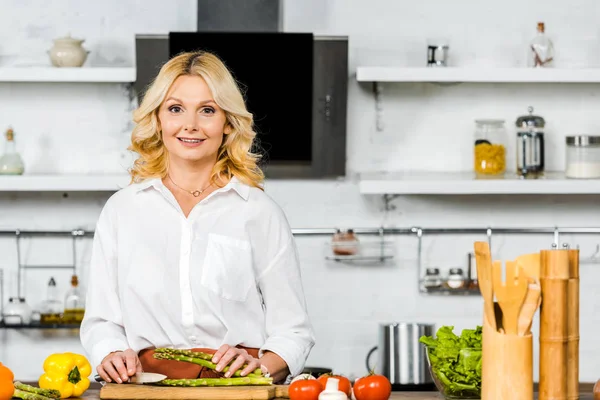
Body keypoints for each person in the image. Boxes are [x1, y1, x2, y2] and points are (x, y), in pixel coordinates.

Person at [80, 51, 315, 385]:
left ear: (228, 122)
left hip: (235, 388)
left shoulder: (258, 211)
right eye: (176, 109)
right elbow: (101, 321)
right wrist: (111, 352)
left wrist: (261, 365)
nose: (190, 124)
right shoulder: (122, 210)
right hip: (147, 389)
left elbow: (293, 331)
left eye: (207, 110)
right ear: (158, 119)